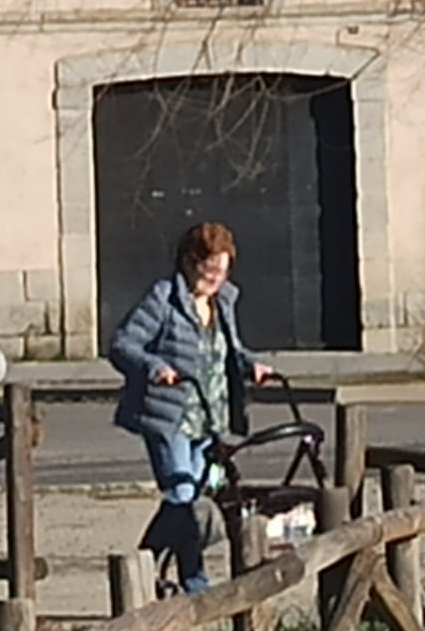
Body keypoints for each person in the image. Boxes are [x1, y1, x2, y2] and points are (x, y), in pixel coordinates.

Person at [106, 220, 278, 594]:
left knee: (195, 501)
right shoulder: (164, 298)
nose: (216, 276)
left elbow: (228, 350)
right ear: (189, 261)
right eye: (210, 267)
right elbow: (122, 345)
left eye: (223, 267)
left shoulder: (223, 303)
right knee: (183, 496)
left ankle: (149, 565)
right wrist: (155, 368)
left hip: (210, 418)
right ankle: (188, 578)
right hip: (170, 418)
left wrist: (252, 364)